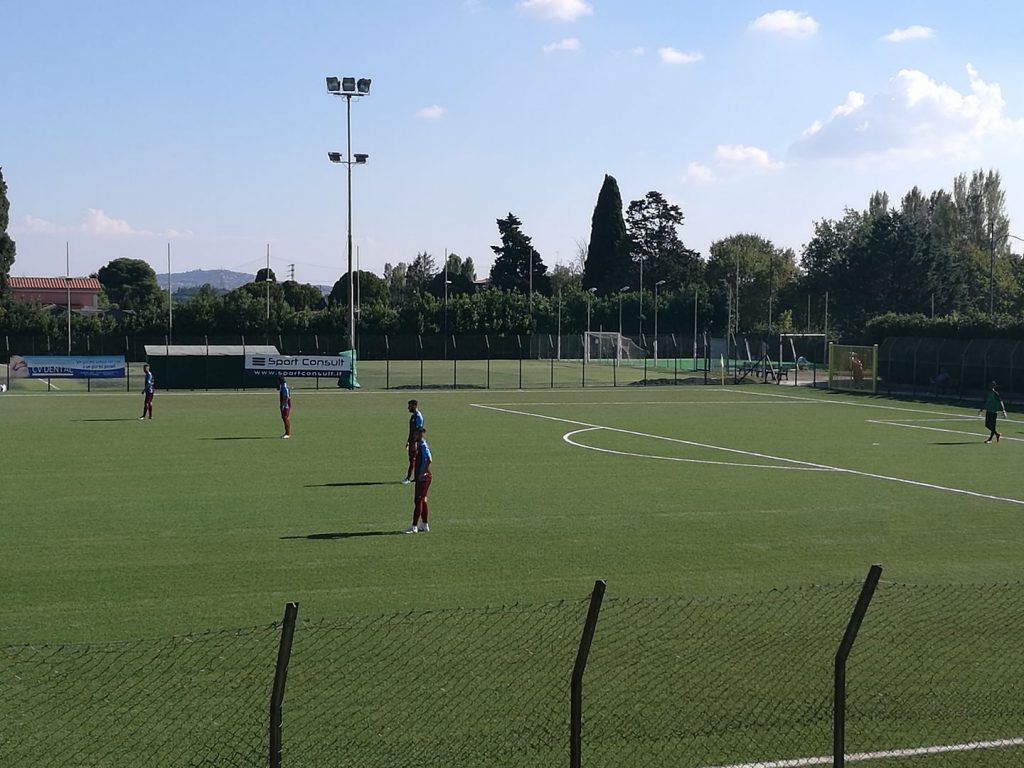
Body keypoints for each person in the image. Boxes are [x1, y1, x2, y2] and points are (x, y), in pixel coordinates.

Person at [405, 425, 432, 533]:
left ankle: (414, 526)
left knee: (418, 501)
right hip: (424, 477)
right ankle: (425, 525)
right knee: (423, 500)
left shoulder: (423, 446)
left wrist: (422, 472)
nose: (414, 435)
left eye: (416, 433)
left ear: (421, 434)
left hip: (423, 478)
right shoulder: (420, 444)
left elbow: (429, 459)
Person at [402, 399, 424, 484]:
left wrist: (415, 442)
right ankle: (415, 477)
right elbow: (411, 431)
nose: (408, 408)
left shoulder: (418, 416)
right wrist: (408, 441)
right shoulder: (413, 416)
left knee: (413, 459)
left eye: (410, 406)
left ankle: (408, 478)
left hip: (415, 442)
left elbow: (419, 431)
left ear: (414, 406)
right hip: (412, 441)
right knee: (413, 459)